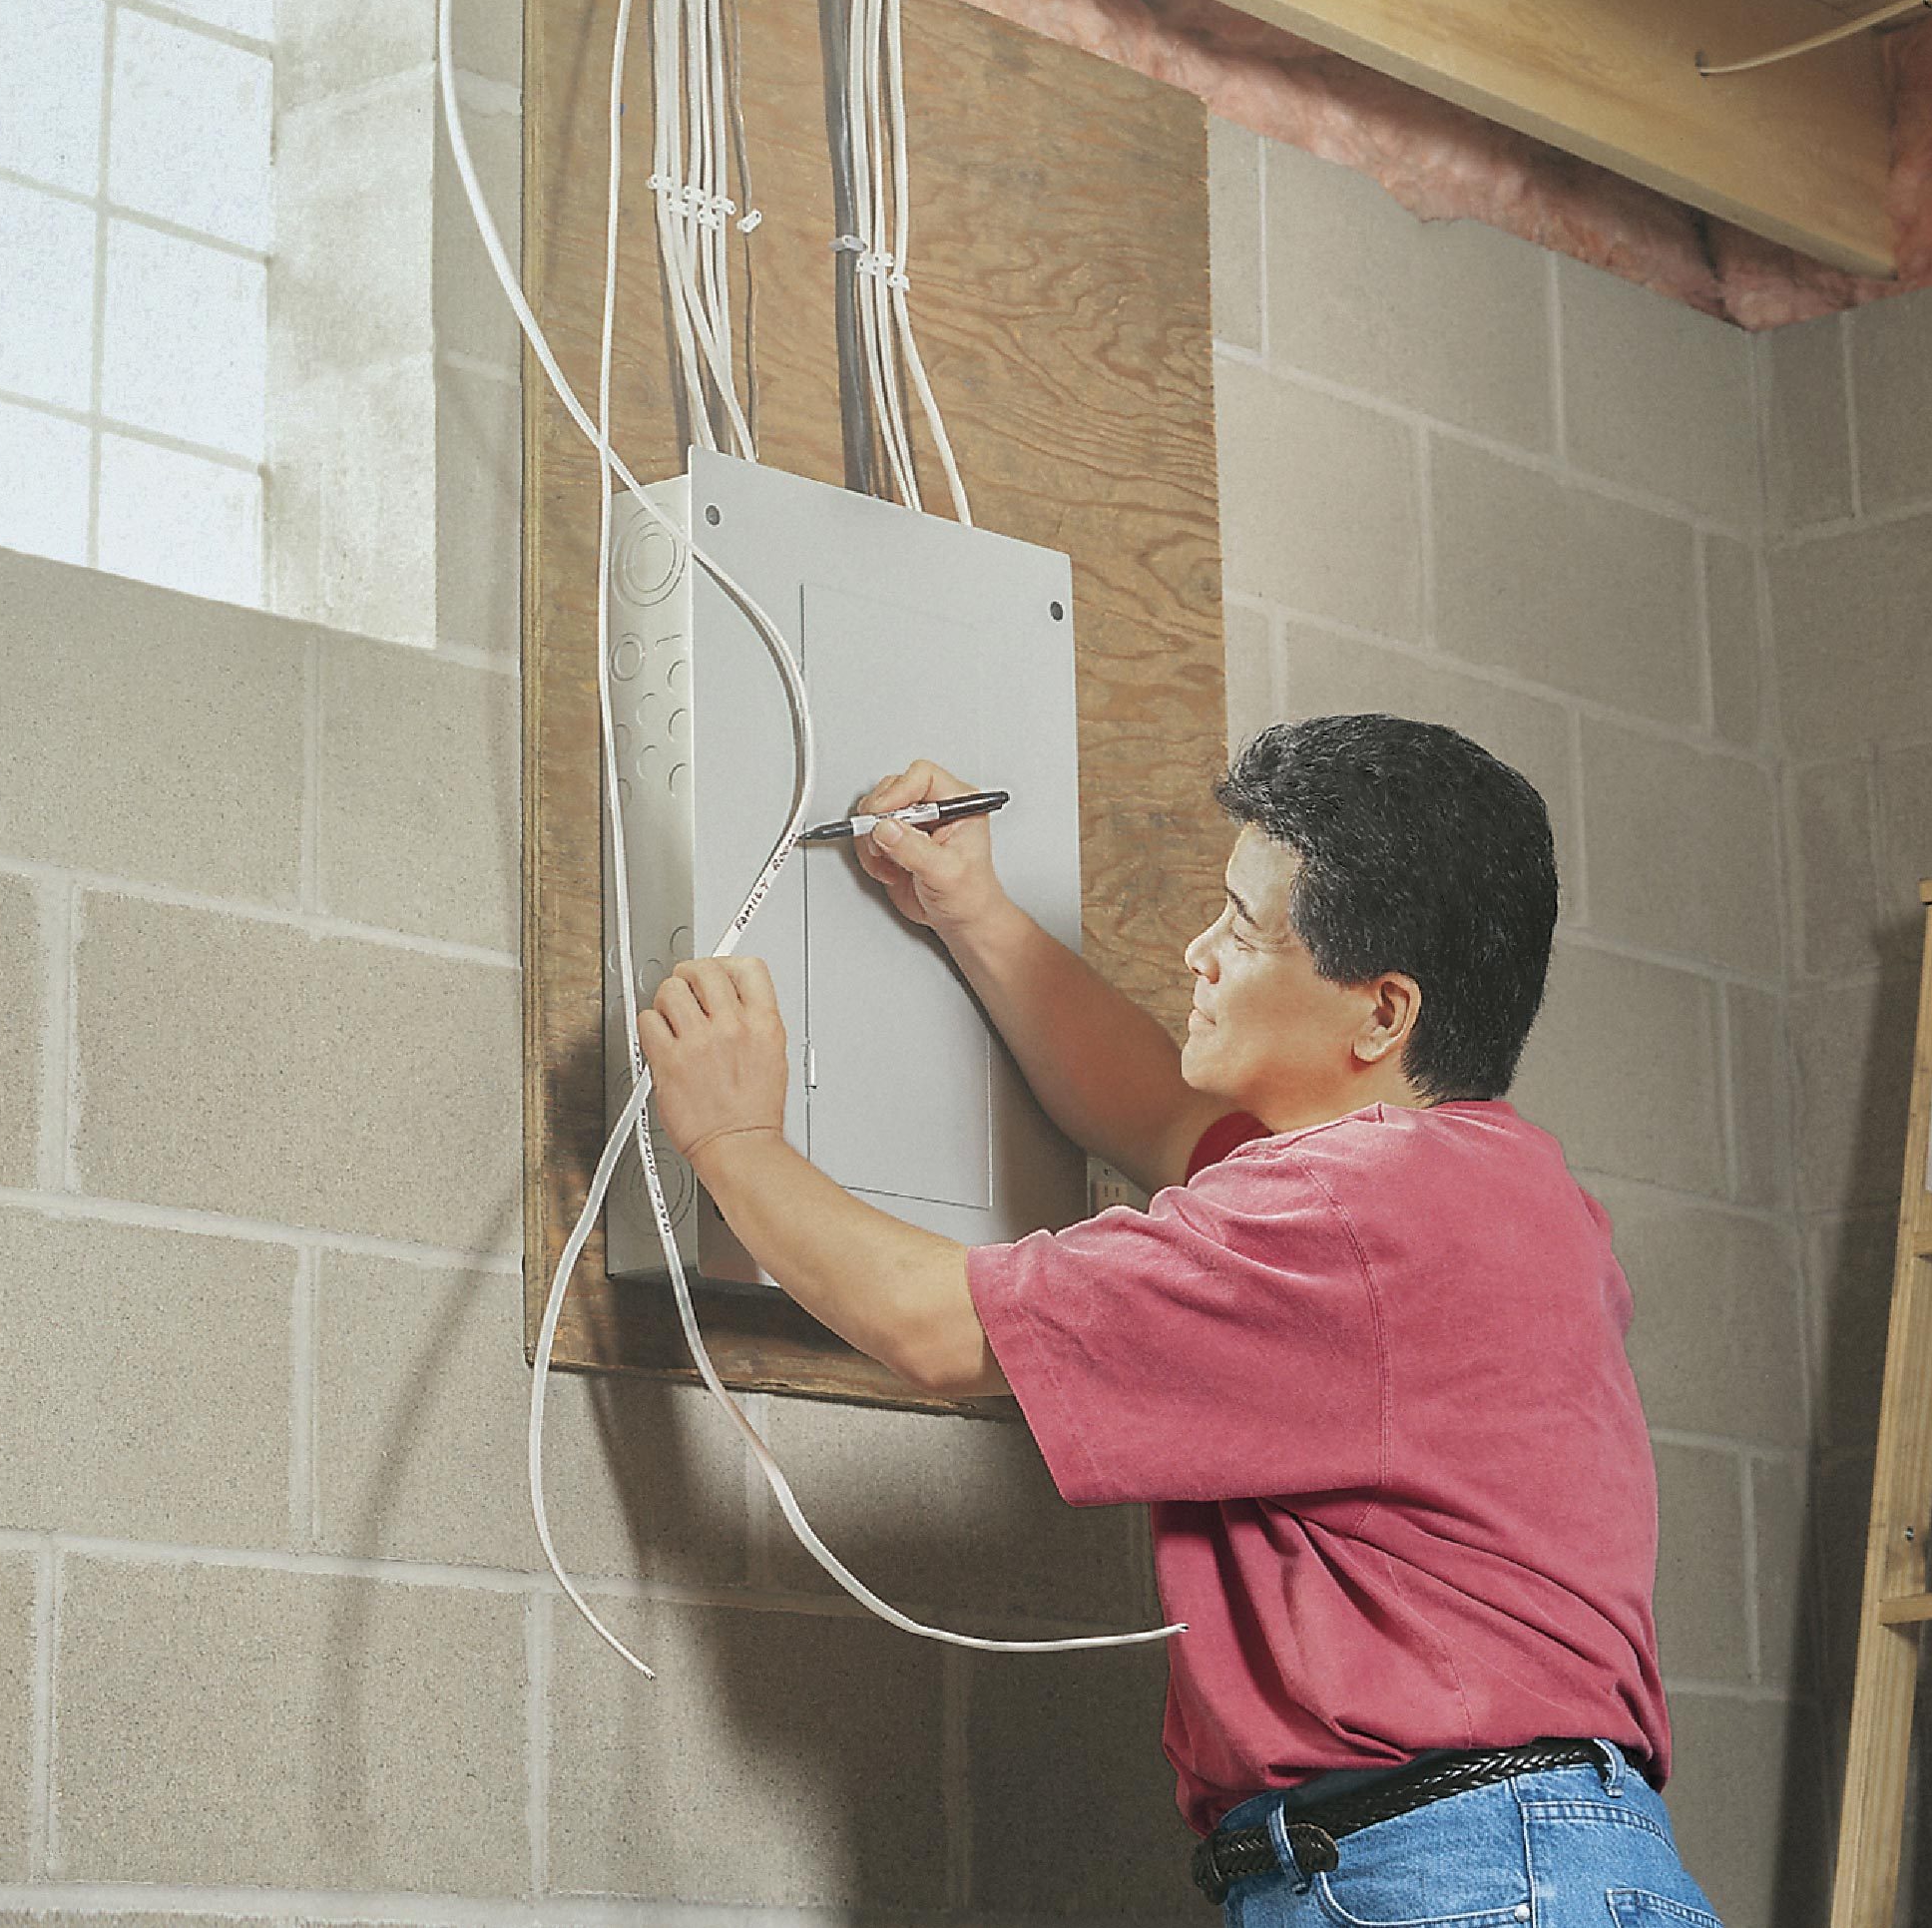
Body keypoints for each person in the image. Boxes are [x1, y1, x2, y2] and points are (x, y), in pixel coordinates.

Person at [637, 713, 1722, 1923]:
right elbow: (1153, 1111)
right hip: (1506, 1858)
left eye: (1244, 932)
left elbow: (935, 1326)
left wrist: (728, 1136)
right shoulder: (1479, 1192)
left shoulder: (1340, 1215)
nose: (1197, 950)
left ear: (1381, 1011)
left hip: (1454, 1873)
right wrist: (973, 909)